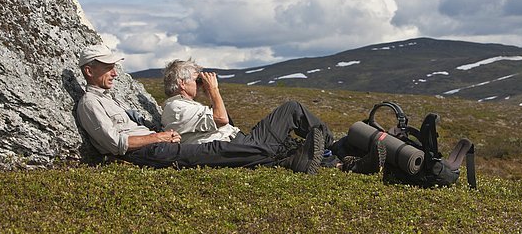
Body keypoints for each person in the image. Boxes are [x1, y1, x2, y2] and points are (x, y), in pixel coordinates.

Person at [75, 44, 326, 173]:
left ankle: (334, 153)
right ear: (89, 71)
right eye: (108, 67)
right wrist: (159, 136)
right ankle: (298, 158)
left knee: (230, 150)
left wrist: (160, 135)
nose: (114, 72)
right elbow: (114, 143)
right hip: (152, 151)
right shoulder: (90, 103)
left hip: (161, 147)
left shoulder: (108, 99)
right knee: (222, 151)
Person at [160, 58, 386, 174]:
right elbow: (221, 119)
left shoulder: (184, 105)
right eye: (196, 80)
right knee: (290, 110)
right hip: (236, 147)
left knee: (295, 131)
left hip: (240, 141)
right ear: (181, 83)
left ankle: (342, 161)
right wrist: (214, 90)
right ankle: (339, 151)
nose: (200, 85)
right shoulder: (176, 107)